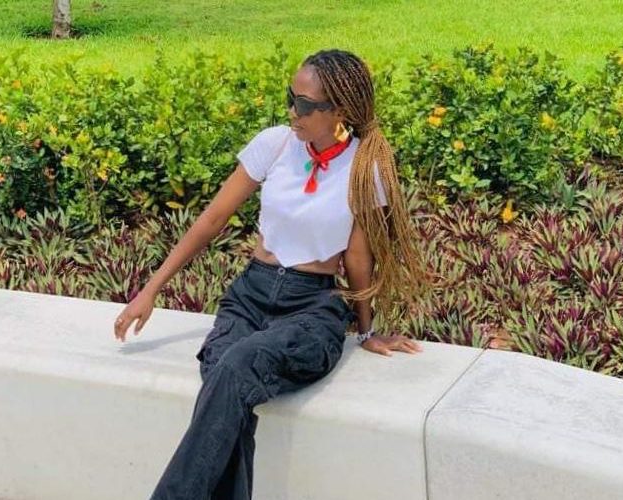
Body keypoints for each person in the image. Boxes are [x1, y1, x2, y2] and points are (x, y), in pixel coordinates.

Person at [113, 48, 427, 500]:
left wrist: (366, 331)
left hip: (312, 309)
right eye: (289, 98)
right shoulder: (275, 144)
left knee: (234, 367)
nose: (292, 112)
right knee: (227, 382)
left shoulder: (364, 167)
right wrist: (150, 291)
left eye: (304, 105)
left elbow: (359, 260)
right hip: (250, 296)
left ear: (338, 110)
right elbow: (212, 219)